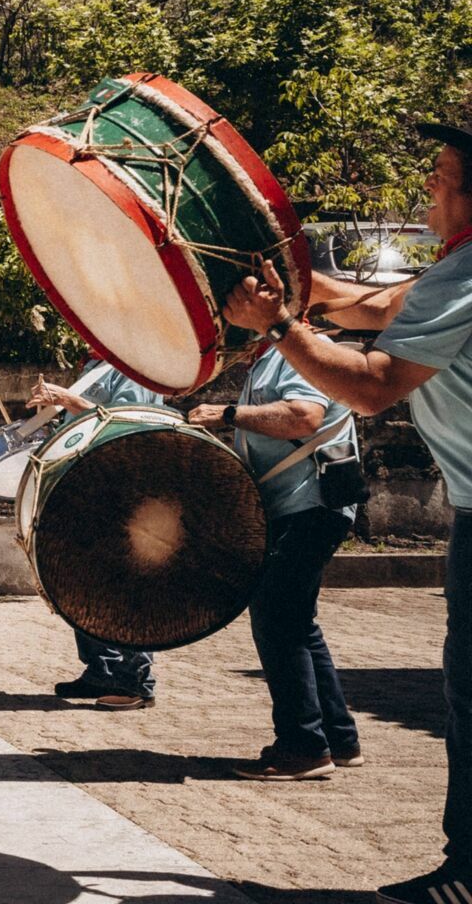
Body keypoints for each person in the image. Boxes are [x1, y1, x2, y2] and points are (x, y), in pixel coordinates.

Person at [222, 120, 472, 904]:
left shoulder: (466, 277)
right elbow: (376, 304)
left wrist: (281, 325)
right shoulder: (449, 273)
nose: (428, 184)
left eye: (442, 174)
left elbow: (369, 383)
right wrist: (297, 286)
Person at [190, 346, 361, 780]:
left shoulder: (292, 351)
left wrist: (229, 414)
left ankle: (303, 747)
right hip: (298, 507)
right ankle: (338, 738)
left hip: (311, 506)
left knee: (276, 618)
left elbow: (304, 417)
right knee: (296, 622)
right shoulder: (269, 358)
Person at [29, 357, 164, 711]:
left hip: (125, 486)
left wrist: (70, 401)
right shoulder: (97, 366)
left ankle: (135, 679)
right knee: (87, 581)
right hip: (93, 482)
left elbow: (126, 422)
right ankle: (101, 670)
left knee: (126, 583)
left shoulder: (137, 369)